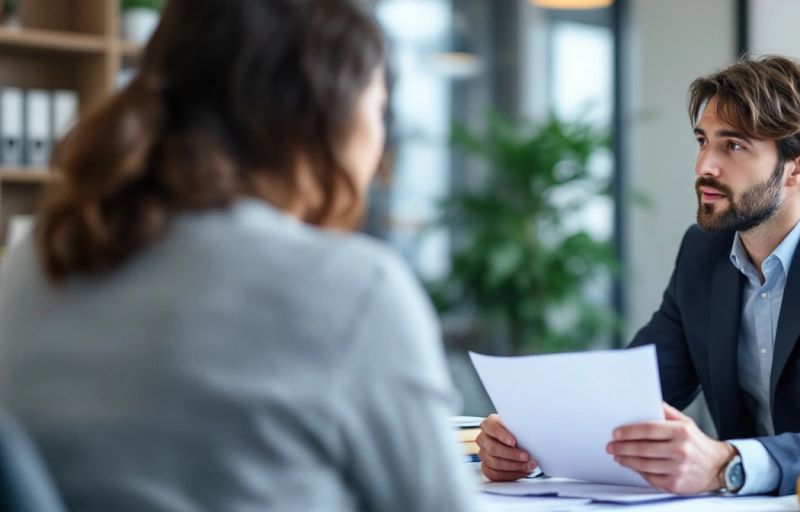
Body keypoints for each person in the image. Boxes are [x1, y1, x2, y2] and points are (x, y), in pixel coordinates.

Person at [0, 0, 476, 510]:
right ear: (327, 115)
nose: (382, 144)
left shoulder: (39, 257)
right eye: (379, 107)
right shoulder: (352, 290)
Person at [476, 55, 800, 496]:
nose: (705, 166)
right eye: (703, 141)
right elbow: (631, 400)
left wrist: (729, 463)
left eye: (734, 145)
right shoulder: (703, 251)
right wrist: (530, 445)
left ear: (799, 166)